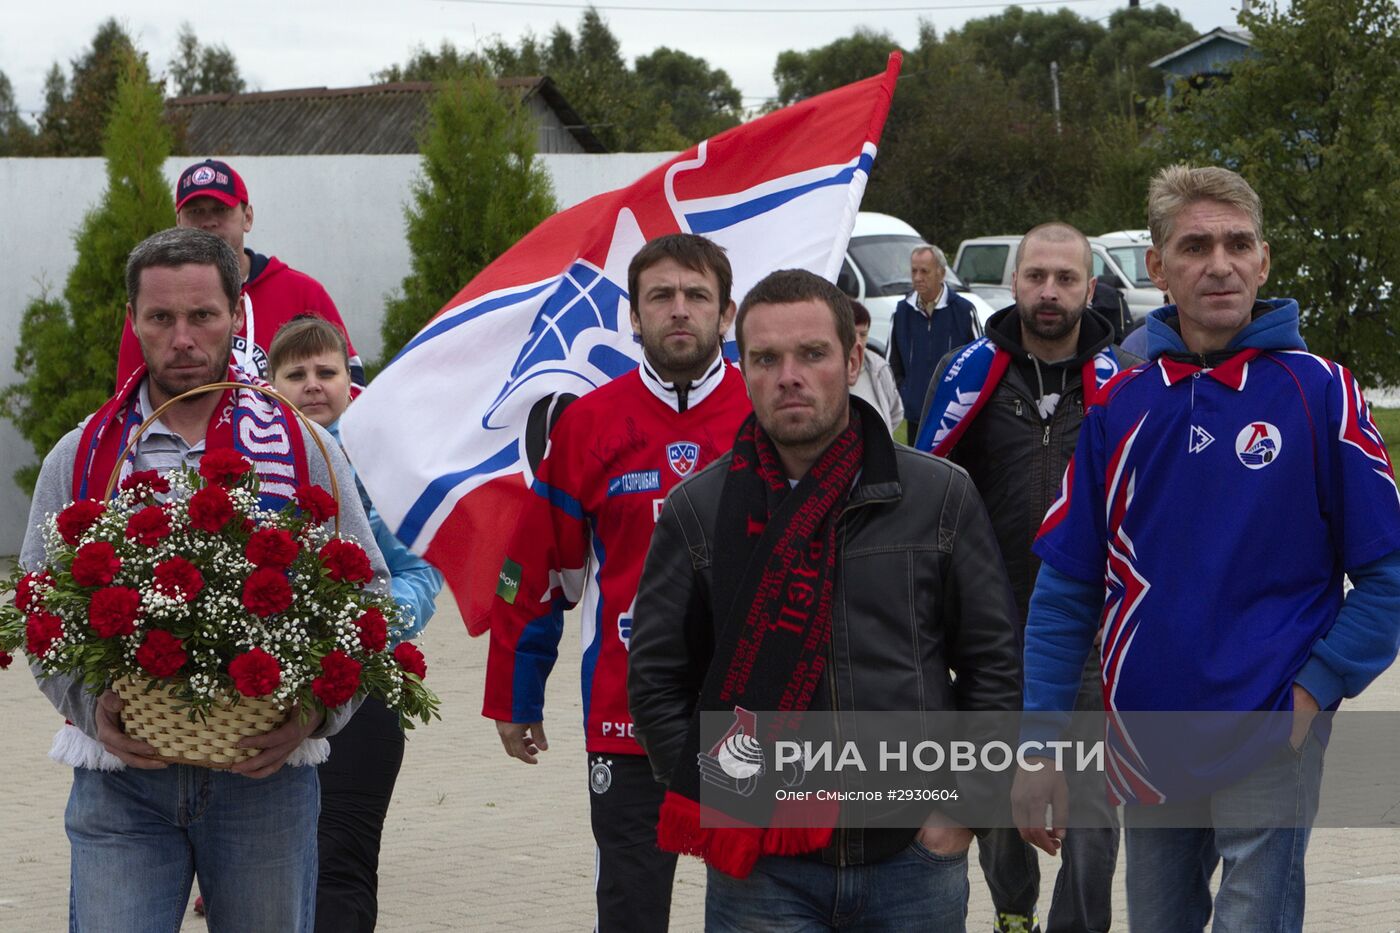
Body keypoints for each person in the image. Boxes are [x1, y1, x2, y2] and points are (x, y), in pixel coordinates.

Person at [1011, 166, 1400, 932]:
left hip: (1270, 724)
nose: (1219, 262)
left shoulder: (1322, 392)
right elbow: (1064, 591)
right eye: (1195, 245)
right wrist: (1038, 747)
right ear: (1157, 267)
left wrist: (1314, 687)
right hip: (1147, 735)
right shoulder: (1120, 404)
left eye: (1238, 243)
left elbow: (1388, 577)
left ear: (1264, 260)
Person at [628, 268, 1021, 931]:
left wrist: (962, 810)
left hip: (913, 859)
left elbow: (994, 666)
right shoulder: (700, 510)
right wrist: (725, 795)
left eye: (811, 353)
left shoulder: (938, 495)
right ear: (742, 367)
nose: (789, 374)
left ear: (852, 359)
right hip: (759, 868)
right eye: (766, 358)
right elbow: (658, 682)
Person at [21, 227, 390, 932]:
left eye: (203, 315)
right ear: (134, 320)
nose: (183, 336)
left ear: (237, 315)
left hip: (266, 780)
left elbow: (367, 592)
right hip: (121, 782)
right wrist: (92, 704)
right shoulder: (83, 453)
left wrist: (315, 714)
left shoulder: (302, 447)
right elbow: (39, 605)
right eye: (161, 317)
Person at [483, 234, 752, 932]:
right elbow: (537, 569)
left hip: (752, 707)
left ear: (726, 315)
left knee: (763, 904)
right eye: (660, 295)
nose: (679, 310)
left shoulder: (769, 417)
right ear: (633, 315)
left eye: (697, 295)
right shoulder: (589, 423)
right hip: (628, 713)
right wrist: (517, 691)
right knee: (631, 907)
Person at [917, 222, 1140, 933]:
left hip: (1088, 636)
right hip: (989, 635)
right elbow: (924, 491)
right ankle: (1015, 912)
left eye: (1065, 278)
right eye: (1037, 276)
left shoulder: (1123, 383)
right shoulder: (964, 374)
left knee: (1095, 821)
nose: (1050, 291)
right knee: (996, 811)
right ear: (1013, 282)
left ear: (1089, 288)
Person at [268, 315, 444, 933]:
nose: (313, 385)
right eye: (296, 373)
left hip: (362, 687)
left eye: (327, 371)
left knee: (341, 861)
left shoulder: (379, 465)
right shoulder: (245, 464)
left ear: (350, 381)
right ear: (269, 385)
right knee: (265, 871)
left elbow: (419, 570)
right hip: (264, 695)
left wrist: (365, 625)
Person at [114, 158, 363, 386]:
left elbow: (350, 381)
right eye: (195, 212)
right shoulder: (155, 302)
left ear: (248, 217)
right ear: (179, 222)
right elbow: (129, 393)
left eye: (220, 210)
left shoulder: (302, 292)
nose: (208, 222)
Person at [888, 244, 980, 442]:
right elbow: (892, 362)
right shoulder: (901, 312)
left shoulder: (964, 311)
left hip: (952, 414)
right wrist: (906, 392)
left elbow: (979, 361)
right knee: (919, 468)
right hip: (915, 414)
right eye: (914, 271)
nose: (918, 277)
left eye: (924, 271)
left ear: (941, 273)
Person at [849, 301, 903, 434]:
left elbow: (895, 413)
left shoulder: (879, 367)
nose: (858, 341)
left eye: (863, 334)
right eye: (852, 333)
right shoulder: (827, 370)